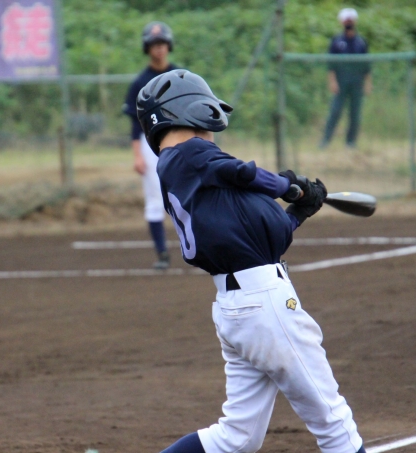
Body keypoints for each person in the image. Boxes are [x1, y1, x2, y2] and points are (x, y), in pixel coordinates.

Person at [137, 70, 366, 453]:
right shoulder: (190, 154)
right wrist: (290, 186)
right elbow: (241, 171)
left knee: (237, 438)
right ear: (189, 112)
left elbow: (267, 237)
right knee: (334, 423)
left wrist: (299, 211)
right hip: (264, 305)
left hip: (239, 307)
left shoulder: (196, 179)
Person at [123, 21, 177, 269]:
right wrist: (137, 155)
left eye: (162, 43)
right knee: (155, 201)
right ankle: (162, 254)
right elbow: (135, 124)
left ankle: (202, 248)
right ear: (147, 48)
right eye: (154, 44)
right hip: (150, 144)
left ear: (169, 45)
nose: (159, 48)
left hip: (179, 141)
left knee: (190, 196)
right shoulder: (140, 82)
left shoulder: (179, 76)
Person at [321, 8, 372, 149]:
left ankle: (350, 142)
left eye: (350, 20)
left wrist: (368, 82)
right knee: (335, 111)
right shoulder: (337, 41)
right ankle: (325, 140)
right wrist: (332, 81)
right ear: (342, 22)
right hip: (341, 80)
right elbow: (331, 64)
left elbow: (367, 65)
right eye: (346, 21)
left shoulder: (361, 42)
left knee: (355, 113)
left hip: (357, 81)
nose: (348, 23)